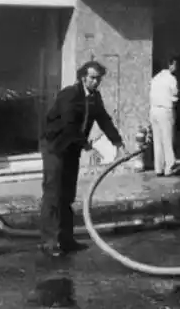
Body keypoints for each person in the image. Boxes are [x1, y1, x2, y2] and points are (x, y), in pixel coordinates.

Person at [40, 60, 124, 258]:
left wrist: (118, 142)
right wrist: (89, 148)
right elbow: (69, 126)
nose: (96, 82)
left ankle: (66, 240)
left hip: (72, 149)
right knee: (53, 193)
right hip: (55, 147)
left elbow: (103, 119)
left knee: (67, 195)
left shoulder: (94, 98)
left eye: (99, 79)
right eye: (93, 78)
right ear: (83, 77)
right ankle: (49, 242)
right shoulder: (70, 94)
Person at [149, 57, 180, 177]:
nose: (176, 67)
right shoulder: (171, 79)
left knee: (157, 140)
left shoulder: (155, 78)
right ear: (170, 65)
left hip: (153, 110)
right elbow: (175, 94)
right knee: (167, 139)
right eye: (175, 65)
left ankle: (158, 168)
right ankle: (169, 167)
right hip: (165, 110)